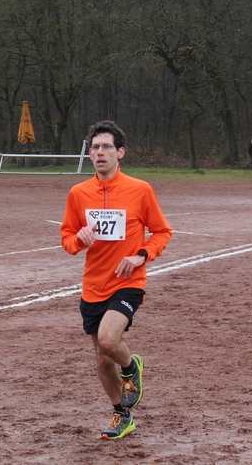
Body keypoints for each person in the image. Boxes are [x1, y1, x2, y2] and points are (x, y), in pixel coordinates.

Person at [60, 120, 172, 440]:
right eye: (95, 147)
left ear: (120, 153)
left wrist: (141, 255)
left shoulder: (140, 190)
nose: (100, 152)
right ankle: (122, 415)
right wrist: (79, 239)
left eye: (106, 146)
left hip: (128, 281)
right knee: (101, 358)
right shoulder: (78, 194)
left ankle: (131, 367)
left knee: (109, 341)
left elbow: (162, 232)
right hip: (93, 286)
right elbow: (67, 240)